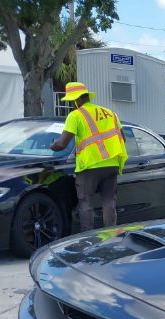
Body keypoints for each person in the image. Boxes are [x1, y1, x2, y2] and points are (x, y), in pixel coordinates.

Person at [50, 82, 127, 231]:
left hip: (90, 166)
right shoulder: (110, 113)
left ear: (76, 100)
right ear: (86, 96)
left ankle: (87, 238)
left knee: (86, 203)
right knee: (109, 202)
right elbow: (122, 138)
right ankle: (111, 234)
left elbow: (62, 144)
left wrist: (51, 145)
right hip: (111, 164)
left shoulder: (75, 115)